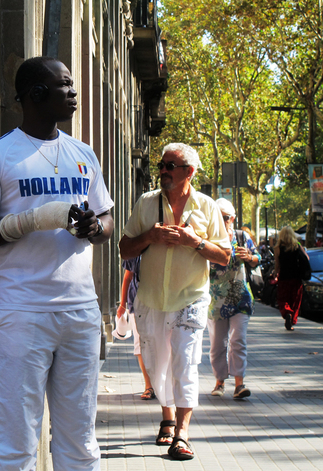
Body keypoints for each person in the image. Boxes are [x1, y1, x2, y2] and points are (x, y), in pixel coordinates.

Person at [0, 56, 114, 471]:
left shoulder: (83, 153)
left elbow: (107, 220)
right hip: (23, 312)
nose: (73, 92)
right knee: (13, 440)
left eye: (72, 84)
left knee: (80, 441)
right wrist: (29, 221)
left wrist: (92, 228)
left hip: (80, 311)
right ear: (35, 94)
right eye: (63, 84)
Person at [119, 143, 231, 461]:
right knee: (157, 367)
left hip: (191, 298)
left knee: (186, 361)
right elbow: (124, 249)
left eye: (171, 165)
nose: (164, 170)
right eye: (162, 164)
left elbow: (224, 256)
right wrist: (150, 237)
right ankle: (166, 416)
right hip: (151, 299)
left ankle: (181, 434)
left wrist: (194, 242)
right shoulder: (146, 203)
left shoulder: (207, 207)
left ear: (189, 172)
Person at [208, 199, 261, 400]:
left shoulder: (242, 236)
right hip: (216, 300)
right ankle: (219, 381)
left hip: (240, 298)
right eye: (220, 217)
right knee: (217, 344)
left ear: (233, 218)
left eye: (227, 218)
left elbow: (258, 259)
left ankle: (239, 383)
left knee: (238, 340)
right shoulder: (209, 237)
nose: (224, 221)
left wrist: (249, 256)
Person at [116, 256, 155, 400]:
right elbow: (127, 277)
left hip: (160, 303)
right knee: (140, 344)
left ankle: (161, 383)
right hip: (137, 302)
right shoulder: (135, 249)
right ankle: (148, 385)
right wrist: (123, 304)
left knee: (160, 343)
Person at [274, 226, 307, 331]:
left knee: (283, 299)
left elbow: (277, 265)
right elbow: (306, 258)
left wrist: (275, 274)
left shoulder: (277, 248)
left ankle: (287, 312)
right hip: (296, 278)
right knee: (295, 300)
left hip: (283, 277)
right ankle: (292, 319)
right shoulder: (297, 246)